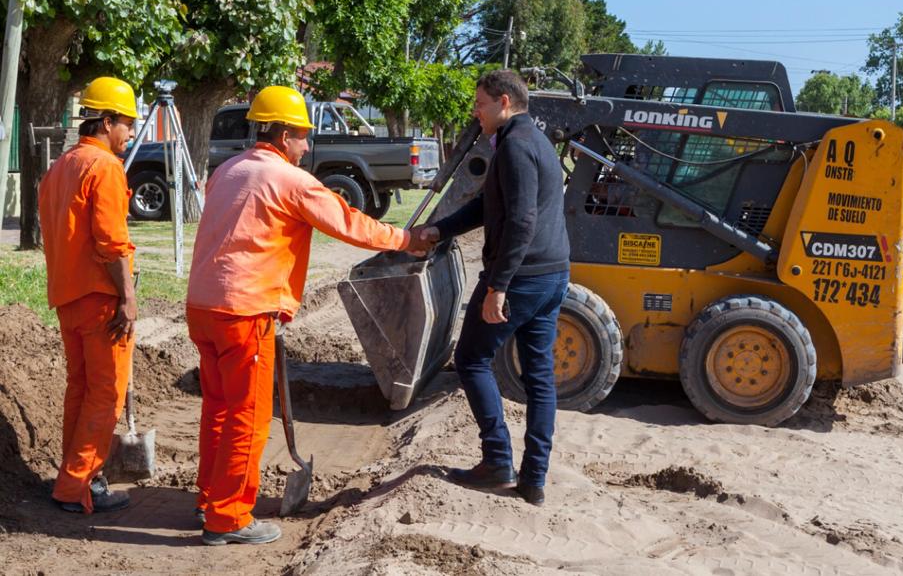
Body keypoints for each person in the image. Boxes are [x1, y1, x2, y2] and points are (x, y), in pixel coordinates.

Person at [186, 85, 430, 546]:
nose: (305, 145)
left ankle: (209, 498)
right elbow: (349, 223)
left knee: (218, 409)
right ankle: (229, 517)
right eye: (301, 136)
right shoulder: (290, 181)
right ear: (280, 135)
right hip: (246, 311)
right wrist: (406, 239)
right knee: (248, 416)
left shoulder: (228, 170)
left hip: (204, 307)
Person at [413, 70, 570, 507]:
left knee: (471, 358)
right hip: (553, 274)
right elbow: (490, 204)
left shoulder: (516, 147)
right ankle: (534, 479)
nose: (475, 113)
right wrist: (440, 229)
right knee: (539, 377)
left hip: (521, 278)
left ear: (504, 102)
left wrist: (498, 285)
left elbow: (521, 221)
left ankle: (497, 461)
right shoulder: (535, 141)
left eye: (480, 104)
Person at [39, 76, 139, 514]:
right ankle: (76, 486)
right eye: (128, 124)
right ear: (106, 121)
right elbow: (112, 243)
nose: (131, 134)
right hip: (100, 299)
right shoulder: (105, 168)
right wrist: (128, 297)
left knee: (80, 389)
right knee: (105, 393)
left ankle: (76, 476)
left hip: (67, 295)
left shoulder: (60, 167)